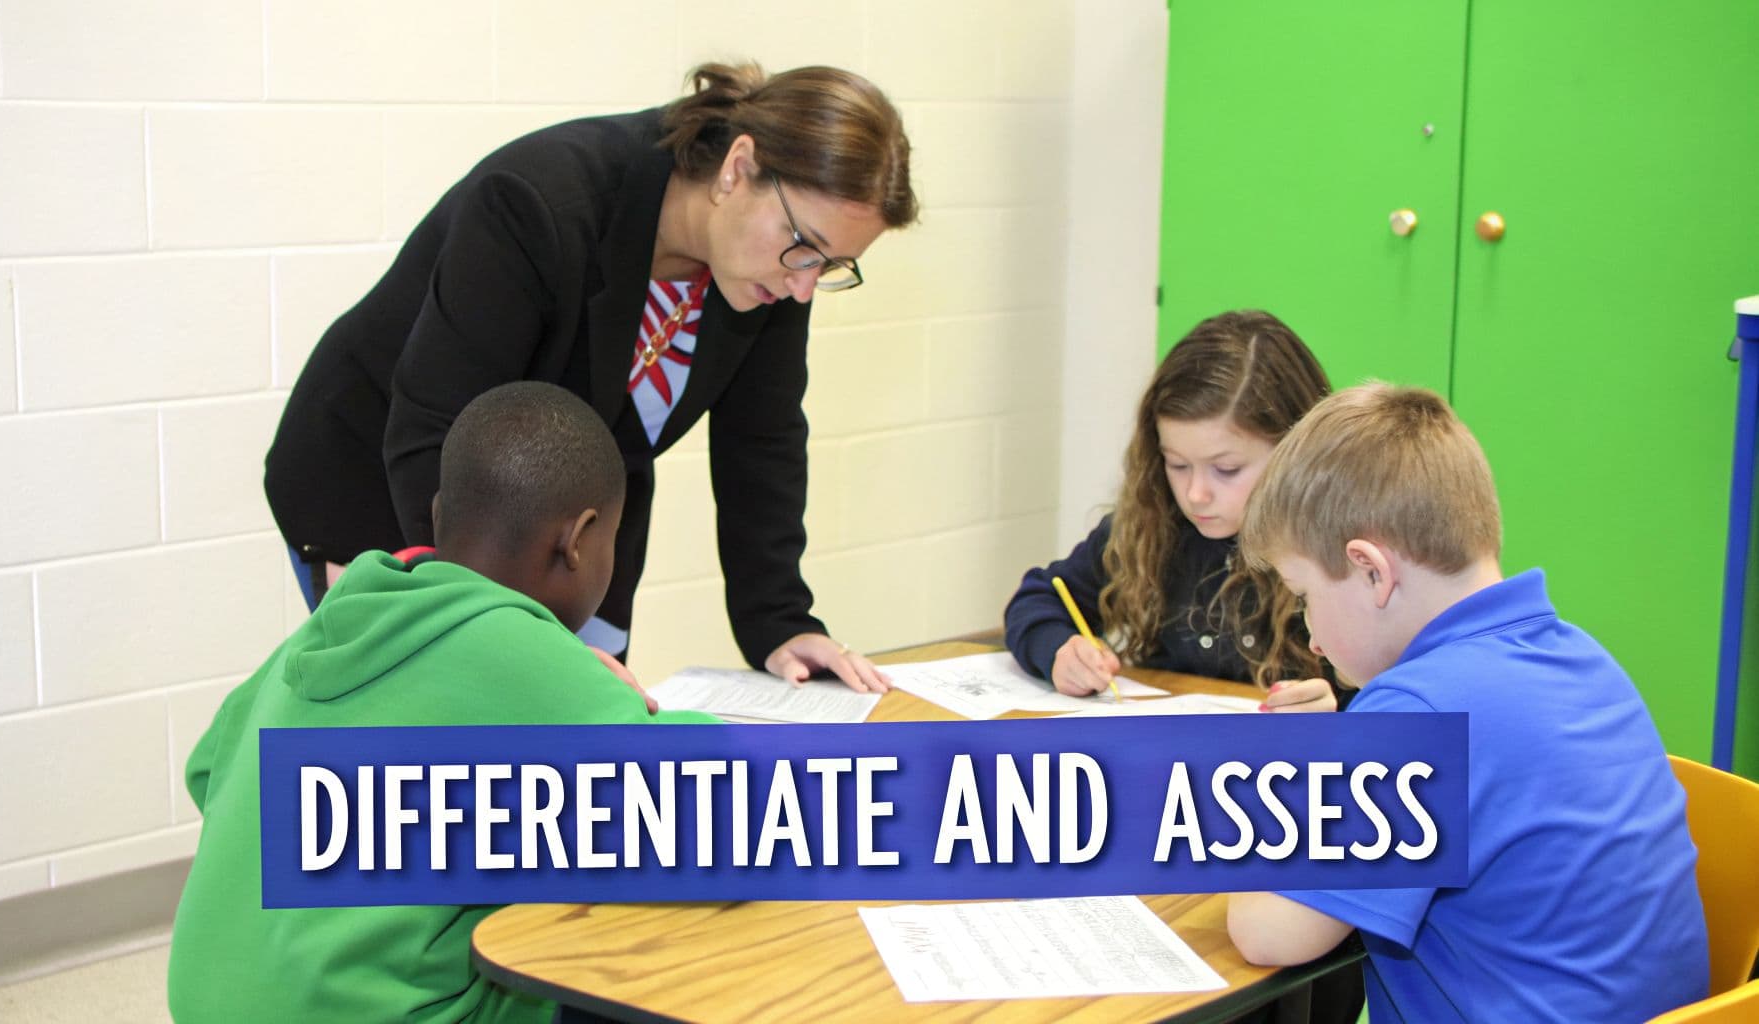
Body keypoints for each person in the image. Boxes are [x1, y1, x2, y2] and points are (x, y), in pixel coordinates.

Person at [265, 62, 918, 693]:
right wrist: (517, 641)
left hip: (564, 531)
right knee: (431, 750)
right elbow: (435, 427)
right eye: (803, 247)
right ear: (738, 168)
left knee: (575, 745)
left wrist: (779, 622)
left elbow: (763, 441)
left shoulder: (768, 272)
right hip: (392, 487)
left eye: (832, 266)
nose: (805, 285)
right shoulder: (539, 202)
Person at [169, 382, 721, 1023]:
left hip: (205, 1004)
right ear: (579, 539)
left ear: (439, 514)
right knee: (643, 959)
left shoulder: (350, 612)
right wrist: (636, 708)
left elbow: (207, 771)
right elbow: (729, 800)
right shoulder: (517, 647)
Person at [1228, 383, 1709, 1022]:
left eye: (1305, 595)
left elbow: (1267, 934)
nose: (1310, 636)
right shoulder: (1581, 657)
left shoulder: (1419, 714)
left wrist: (1270, 802)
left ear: (1372, 572)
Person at [1003, 311, 1343, 710]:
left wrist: (1341, 703)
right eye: (1177, 464)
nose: (1196, 494)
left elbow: (1404, 679)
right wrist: (1060, 650)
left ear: (1295, 454)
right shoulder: (1153, 525)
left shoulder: (1341, 550)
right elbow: (1039, 598)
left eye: (1226, 469)